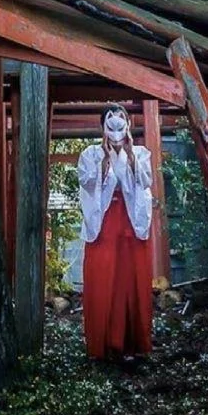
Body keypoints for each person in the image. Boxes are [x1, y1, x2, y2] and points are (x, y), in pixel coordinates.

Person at [77, 105, 154, 360]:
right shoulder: (91, 154)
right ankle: (103, 343)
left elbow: (146, 182)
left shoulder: (141, 153)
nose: (116, 132)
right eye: (111, 126)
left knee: (130, 276)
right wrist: (107, 160)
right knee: (103, 276)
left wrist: (128, 156)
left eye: (122, 125)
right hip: (105, 221)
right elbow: (86, 182)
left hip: (131, 222)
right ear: (103, 128)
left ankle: (132, 343)